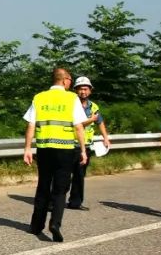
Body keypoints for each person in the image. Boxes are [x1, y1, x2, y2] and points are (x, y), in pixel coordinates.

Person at [23, 68, 87, 242]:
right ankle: (55, 224)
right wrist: (83, 150)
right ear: (65, 80)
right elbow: (78, 127)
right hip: (65, 150)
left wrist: (27, 148)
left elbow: (31, 125)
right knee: (60, 189)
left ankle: (36, 226)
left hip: (44, 149)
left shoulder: (39, 97)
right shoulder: (72, 98)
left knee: (43, 186)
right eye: (70, 81)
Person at [66, 76, 111, 210]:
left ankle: (75, 202)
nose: (83, 92)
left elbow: (100, 121)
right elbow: (76, 123)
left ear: (90, 90)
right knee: (64, 176)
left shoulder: (93, 106)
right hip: (70, 145)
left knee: (80, 176)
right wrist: (90, 120)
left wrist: (105, 137)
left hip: (85, 146)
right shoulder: (71, 104)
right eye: (80, 89)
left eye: (85, 89)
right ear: (75, 91)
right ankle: (53, 202)